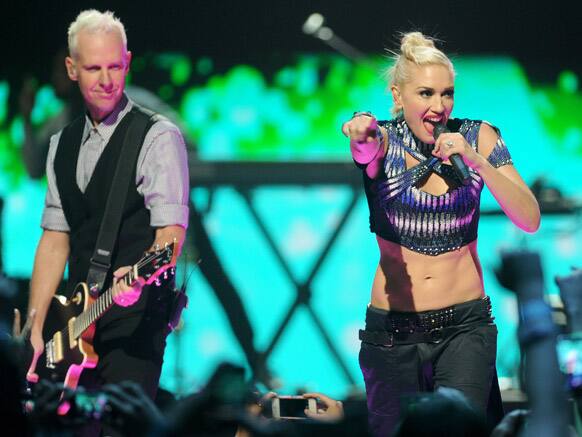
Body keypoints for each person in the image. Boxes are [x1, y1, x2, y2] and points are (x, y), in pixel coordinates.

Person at [342, 31, 540, 436]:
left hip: (465, 328)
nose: (438, 106)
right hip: (393, 333)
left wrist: (476, 160)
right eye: (426, 94)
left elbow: (529, 218)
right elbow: (365, 148)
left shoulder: (478, 136)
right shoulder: (385, 140)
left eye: (446, 94)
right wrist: (359, 133)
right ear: (398, 97)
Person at [23, 9, 189, 436]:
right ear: (71, 69)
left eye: (115, 66)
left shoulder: (157, 136)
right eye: (93, 67)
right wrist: (36, 326)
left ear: (128, 63)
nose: (105, 78)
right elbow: (54, 238)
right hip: (74, 324)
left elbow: (169, 238)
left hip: (133, 321)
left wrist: (139, 276)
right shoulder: (60, 144)